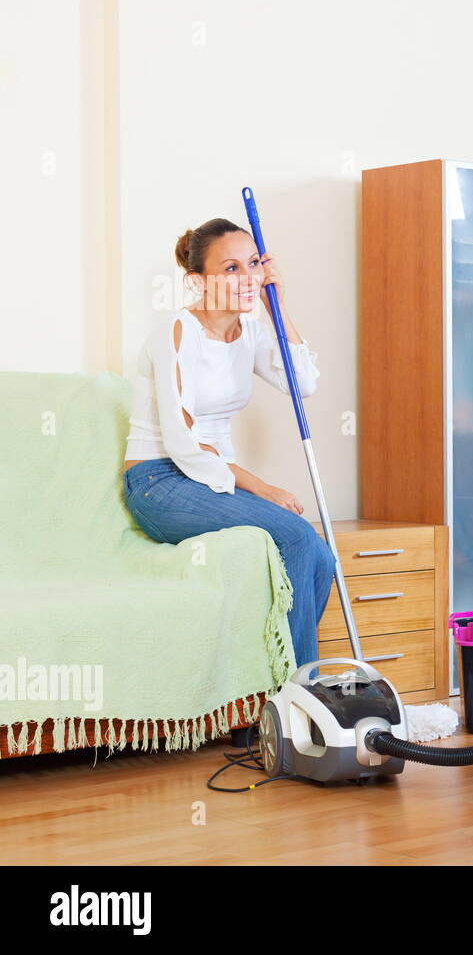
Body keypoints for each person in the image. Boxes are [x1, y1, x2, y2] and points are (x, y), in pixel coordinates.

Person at [121, 217, 333, 668]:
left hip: (212, 480)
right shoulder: (176, 332)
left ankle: (278, 681)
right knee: (295, 536)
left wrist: (277, 306)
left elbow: (305, 382)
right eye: (231, 268)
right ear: (198, 280)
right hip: (159, 481)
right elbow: (184, 443)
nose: (247, 277)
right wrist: (263, 488)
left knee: (320, 554)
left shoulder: (250, 334)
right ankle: (294, 689)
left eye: (253, 264)